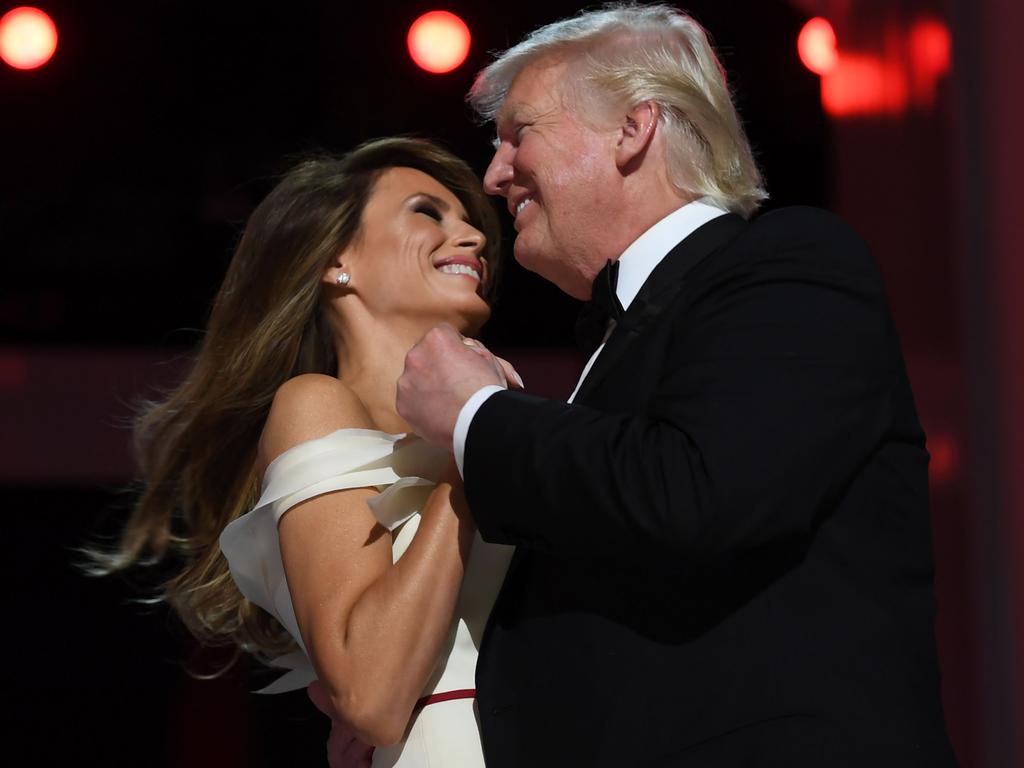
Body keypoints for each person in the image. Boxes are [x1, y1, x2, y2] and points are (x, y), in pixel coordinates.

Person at [389, 4, 958, 766]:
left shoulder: (792, 262)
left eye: (520, 133)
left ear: (634, 128)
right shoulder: (616, 337)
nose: (494, 175)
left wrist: (474, 413)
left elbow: (690, 492)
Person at [89, 137, 518, 767]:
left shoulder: (509, 418)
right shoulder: (314, 404)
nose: (474, 237)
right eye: (428, 212)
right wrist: (473, 456)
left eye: (471, 222)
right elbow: (370, 697)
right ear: (335, 259)